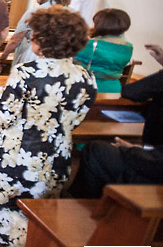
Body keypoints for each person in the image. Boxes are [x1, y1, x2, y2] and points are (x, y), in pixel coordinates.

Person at [0, 6, 97, 247]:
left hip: (21, 152)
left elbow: (4, 115)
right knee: (43, 200)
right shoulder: (86, 76)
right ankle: (39, 240)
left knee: (12, 202)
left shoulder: (26, 73)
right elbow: (78, 116)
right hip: (57, 151)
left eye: (34, 34)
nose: (31, 37)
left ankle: (17, 241)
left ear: (44, 40)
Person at [69, 44, 163, 199]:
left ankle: (83, 204)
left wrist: (133, 151)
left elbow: (131, 92)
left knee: (96, 150)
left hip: (154, 171)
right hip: (155, 154)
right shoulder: (125, 46)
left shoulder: (93, 47)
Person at [1, 0, 71, 68]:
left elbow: (16, 39)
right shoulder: (70, 12)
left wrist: (4, 55)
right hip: (61, 61)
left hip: (35, 58)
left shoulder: (35, 12)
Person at [74, 8, 134, 93]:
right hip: (113, 89)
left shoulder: (90, 44)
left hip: (89, 88)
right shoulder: (128, 46)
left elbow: (69, 58)